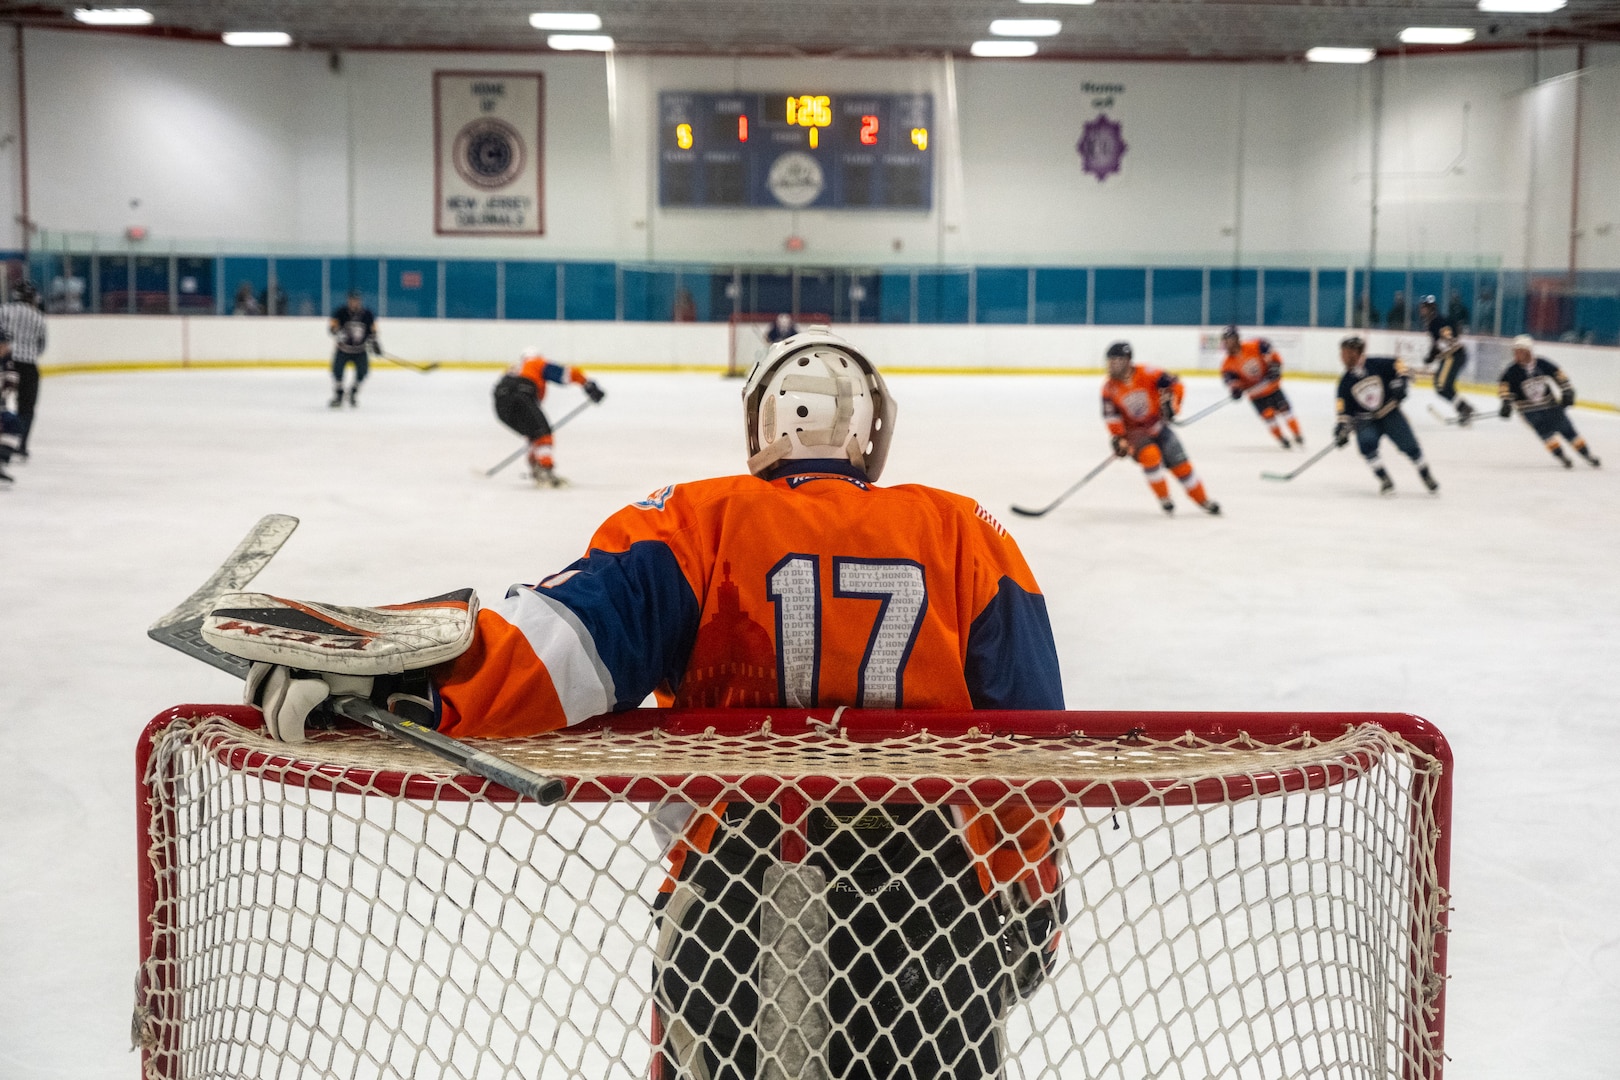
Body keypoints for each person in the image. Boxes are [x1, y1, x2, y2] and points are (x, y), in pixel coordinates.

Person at [204, 329, 1068, 1080]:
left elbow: (558, 652)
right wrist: (1031, 896)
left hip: (735, 891)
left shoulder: (696, 521)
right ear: (871, 430)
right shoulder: (966, 531)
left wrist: (409, 681)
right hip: (928, 904)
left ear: (761, 423)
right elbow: (1032, 748)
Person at [1101, 341, 1220, 515]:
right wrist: (1118, 438)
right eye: (1110, 361)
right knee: (1151, 456)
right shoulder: (1109, 388)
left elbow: (1176, 385)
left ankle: (1203, 500)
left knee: (1182, 466)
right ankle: (1164, 498)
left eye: (1116, 361)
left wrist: (1172, 406)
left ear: (1128, 361)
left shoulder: (1149, 373)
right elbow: (1112, 417)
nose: (1112, 365)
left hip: (1158, 427)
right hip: (1134, 435)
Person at [1333, 336, 1439, 495]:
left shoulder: (1377, 364)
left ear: (1356, 352)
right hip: (1366, 420)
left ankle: (1425, 473)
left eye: (1345, 353)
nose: (1342, 357)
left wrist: (1401, 383)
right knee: (1366, 445)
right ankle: (1384, 479)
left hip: (1390, 413)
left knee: (1410, 446)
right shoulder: (1344, 383)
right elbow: (1343, 411)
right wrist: (1341, 430)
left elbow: (1400, 365)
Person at [492, 349, 605, 487]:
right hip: (521, 393)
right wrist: (588, 385)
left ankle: (537, 468)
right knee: (543, 433)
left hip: (500, 405)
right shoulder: (536, 362)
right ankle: (545, 472)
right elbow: (566, 374)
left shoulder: (514, 368)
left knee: (533, 434)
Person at [1497, 334, 1600, 469]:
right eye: (1515, 352)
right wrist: (1505, 402)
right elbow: (1504, 387)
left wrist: (1567, 390)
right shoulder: (1511, 371)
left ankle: (1587, 455)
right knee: (1545, 434)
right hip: (1529, 410)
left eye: (1520, 351)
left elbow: (1558, 375)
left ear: (1528, 351)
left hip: (1550, 405)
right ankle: (1561, 456)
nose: (1516, 354)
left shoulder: (1542, 364)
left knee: (1567, 430)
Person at [1218, 326, 1303, 449]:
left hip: (1272, 388)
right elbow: (1231, 381)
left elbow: (1270, 351)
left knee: (1285, 409)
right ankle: (1281, 438)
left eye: (1228, 340)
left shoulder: (1254, 346)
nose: (1226, 343)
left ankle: (1297, 434)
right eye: (1224, 340)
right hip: (1255, 394)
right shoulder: (1227, 364)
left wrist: (1275, 366)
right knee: (1268, 416)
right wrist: (1235, 390)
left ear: (1236, 339)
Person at [0, 279, 46, 461]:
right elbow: (42, 346)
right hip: (28, 366)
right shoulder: (38, 317)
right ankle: (21, 445)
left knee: (4, 404)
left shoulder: (3, 310)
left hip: (5, 363)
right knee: (27, 408)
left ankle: (3, 447)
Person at [1417, 294, 1476, 425]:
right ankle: (1464, 408)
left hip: (1453, 356)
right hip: (1455, 355)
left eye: (1424, 308)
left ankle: (1464, 408)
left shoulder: (1434, 322)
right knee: (1444, 386)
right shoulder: (1441, 320)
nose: (1421, 310)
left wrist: (1431, 357)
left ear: (1430, 308)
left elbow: (1440, 343)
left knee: (1441, 386)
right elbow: (1453, 332)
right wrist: (1432, 356)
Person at [328, 291, 379, 408]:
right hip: (343, 349)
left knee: (363, 372)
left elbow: (373, 330)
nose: (354, 303)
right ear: (348, 301)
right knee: (337, 372)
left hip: (360, 351)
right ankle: (339, 394)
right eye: (352, 300)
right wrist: (336, 330)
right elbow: (332, 327)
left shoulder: (367, 314)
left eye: (356, 300)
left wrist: (375, 342)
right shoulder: (341, 312)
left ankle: (353, 392)